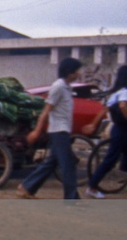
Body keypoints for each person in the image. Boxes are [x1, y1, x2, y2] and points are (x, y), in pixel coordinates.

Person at [17, 57, 83, 200]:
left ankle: (27, 187)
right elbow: (47, 109)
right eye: (77, 71)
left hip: (62, 130)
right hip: (59, 131)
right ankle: (72, 199)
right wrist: (37, 130)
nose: (79, 73)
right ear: (69, 72)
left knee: (51, 163)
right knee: (67, 165)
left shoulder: (66, 87)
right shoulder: (58, 87)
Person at [82, 65, 127, 199]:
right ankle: (92, 186)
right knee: (110, 159)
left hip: (118, 129)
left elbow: (103, 110)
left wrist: (93, 125)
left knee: (116, 157)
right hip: (123, 130)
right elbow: (123, 106)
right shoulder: (125, 91)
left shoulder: (115, 92)